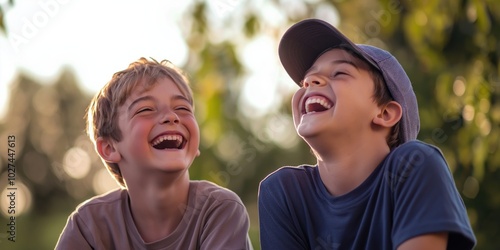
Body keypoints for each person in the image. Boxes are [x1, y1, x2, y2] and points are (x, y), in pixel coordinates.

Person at [258, 19, 476, 250]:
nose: (310, 82)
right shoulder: (284, 192)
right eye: (306, 80)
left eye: (340, 72)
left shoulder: (415, 165)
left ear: (385, 113)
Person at [56, 58, 252, 250]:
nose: (171, 116)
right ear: (110, 148)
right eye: (146, 109)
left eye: (182, 108)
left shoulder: (219, 210)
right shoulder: (89, 226)